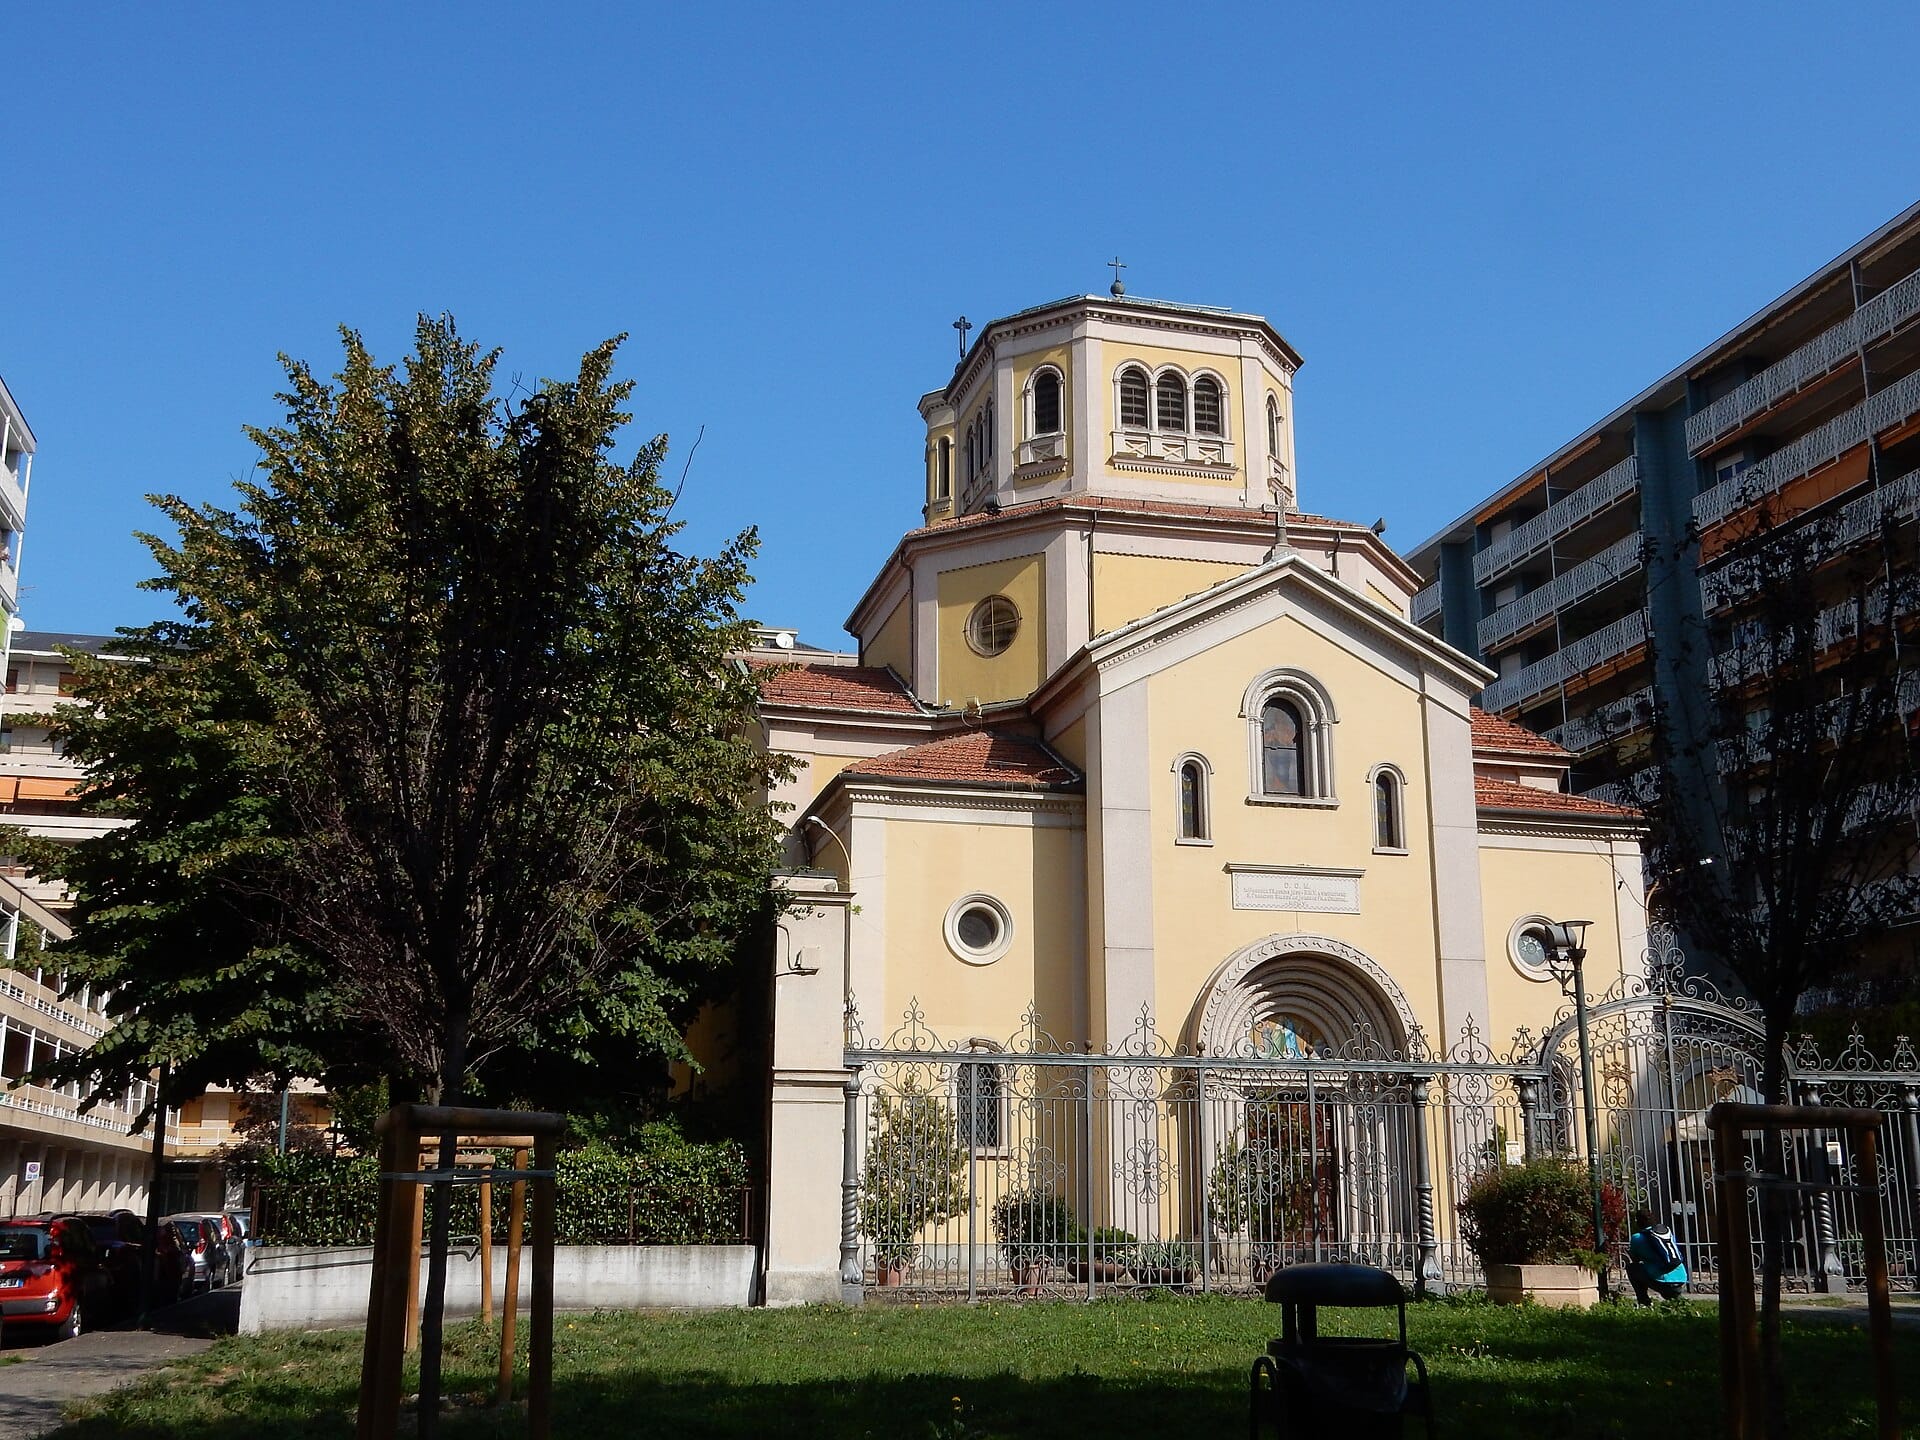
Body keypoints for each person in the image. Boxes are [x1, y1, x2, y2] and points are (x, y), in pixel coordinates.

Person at [1626, 1209, 1688, 1305]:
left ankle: (1644, 1302)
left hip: (1661, 1281)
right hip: (1682, 1277)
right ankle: (1678, 1301)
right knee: (1674, 1299)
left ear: (1637, 1222)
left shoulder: (1637, 1238)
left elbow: (1635, 1259)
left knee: (1632, 1268)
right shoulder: (1666, 1232)